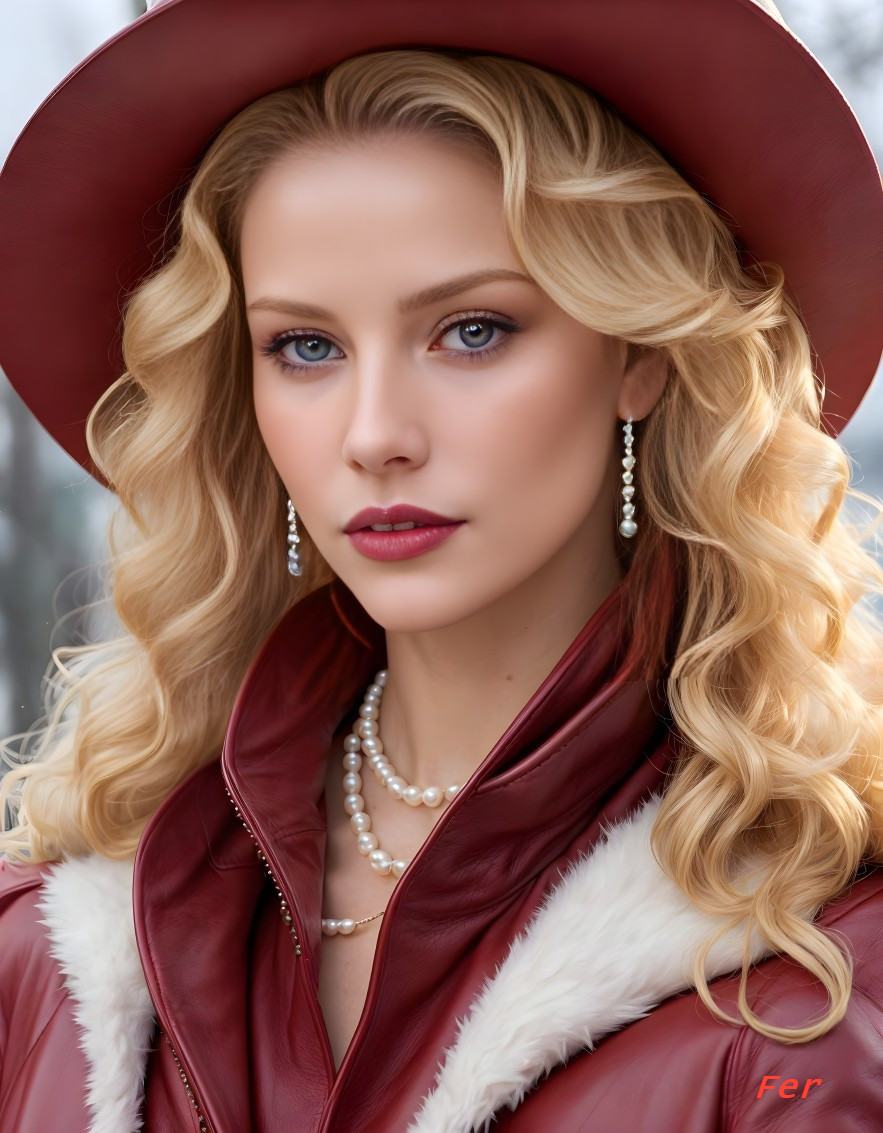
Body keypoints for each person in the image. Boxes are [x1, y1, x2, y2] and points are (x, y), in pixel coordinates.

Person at [0, 0, 881, 1129]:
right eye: (304, 346)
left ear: (640, 356)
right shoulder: (64, 944)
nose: (374, 433)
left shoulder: (818, 984)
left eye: (471, 330)